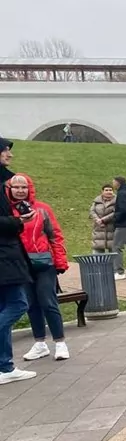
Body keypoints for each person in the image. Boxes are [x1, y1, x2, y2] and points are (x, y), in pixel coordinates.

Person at [5, 175, 69, 362]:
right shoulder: (7, 211)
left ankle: (60, 342)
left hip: (43, 262)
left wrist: (60, 261)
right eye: (15, 187)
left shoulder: (42, 209)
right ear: (9, 189)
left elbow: (54, 235)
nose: (20, 190)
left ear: (29, 188)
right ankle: (40, 343)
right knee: (31, 304)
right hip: (20, 265)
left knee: (48, 301)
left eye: (24, 187)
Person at [0, 139, 35, 385]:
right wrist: (19, 220)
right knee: (18, 303)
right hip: (4, 257)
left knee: (6, 305)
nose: (9, 155)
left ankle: (5, 366)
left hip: (6, 255)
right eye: (5, 150)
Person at [89, 182, 117, 253]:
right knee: (97, 250)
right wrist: (97, 219)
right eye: (106, 190)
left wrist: (103, 220)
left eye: (110, 190)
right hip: (98, 229)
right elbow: (92, 211)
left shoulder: (117, 201)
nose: (108, 192)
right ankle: (97, 264)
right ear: (102, 191)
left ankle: (113, 264)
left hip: (112, 229)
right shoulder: (96, 201)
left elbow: (116, 213)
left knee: (113, 251)